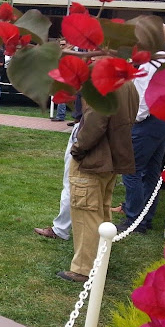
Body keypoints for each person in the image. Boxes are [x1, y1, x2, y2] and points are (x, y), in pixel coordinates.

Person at [58, 80, 138, 283]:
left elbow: (95, 122)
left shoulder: (101, 79)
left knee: (86, 213)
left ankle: (84, 268)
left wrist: (78, 148)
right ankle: (99, 260)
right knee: (101, 211)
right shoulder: (127, 81)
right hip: (110, 157)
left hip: (93, 158)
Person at [117, 24, 165, 234]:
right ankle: (145, 217)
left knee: (131, 169)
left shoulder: (153, 59)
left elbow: (144, 95)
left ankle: (134, 219)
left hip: (149, 119)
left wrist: (134, 119)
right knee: (152, 170)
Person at [35, 94, 83, 241]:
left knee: (71, 183)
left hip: (85, 130)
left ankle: (61, 229)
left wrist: (78, 147)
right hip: (87, 128)